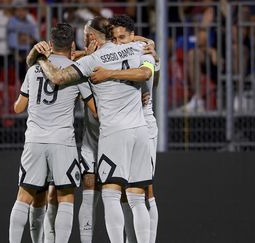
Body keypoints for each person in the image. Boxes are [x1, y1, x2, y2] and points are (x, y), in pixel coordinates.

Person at [35, 16, 155, 243]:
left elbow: (58, 77)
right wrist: (149, 45)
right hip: (140, 132)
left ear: (90, 37)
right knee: (138, 198)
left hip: (113, 134)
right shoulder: (139, 48)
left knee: (110, 195)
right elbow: (147, 69)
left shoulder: (93, 61)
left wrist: (39, 59)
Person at [9, 23, 96, 243]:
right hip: (62, 142)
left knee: (24, 197)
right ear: (73, 45)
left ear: (49, 44)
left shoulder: (34, 68)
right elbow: (96, 111)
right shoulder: (77, 72)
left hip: (35, 141)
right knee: (65, 197)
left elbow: (18, 108)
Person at [90, 14, 160, 243]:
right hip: (128, 126)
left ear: (132, 35)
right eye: (115, 38)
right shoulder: (134, 50)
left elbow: (150, 77)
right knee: (127, 194)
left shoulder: (143, 52)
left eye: (123, 37)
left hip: (144, 124)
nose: (119, 42)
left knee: (143, 191)